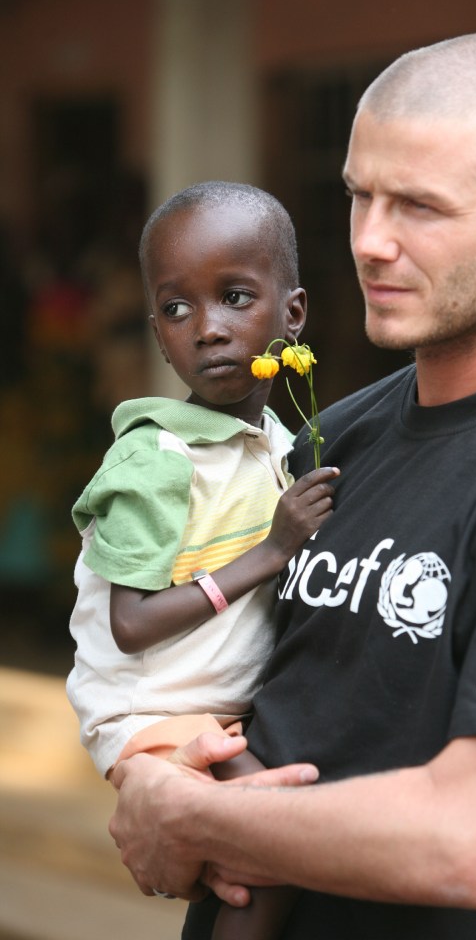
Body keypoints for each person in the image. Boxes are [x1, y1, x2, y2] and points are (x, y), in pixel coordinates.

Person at [108, 34, 476, 940]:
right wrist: (146, 770)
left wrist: (193, 818)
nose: (369, 242)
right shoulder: (330, 438)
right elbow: (208, 677)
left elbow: (467, 842)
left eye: (421, 207)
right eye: (360, 195)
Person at [66, 180, 338, 939]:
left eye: (236, 298)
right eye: (178, 309)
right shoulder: (157, 458)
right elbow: (131, 622)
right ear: (157, 331)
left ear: (293, 315)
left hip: (217, 707)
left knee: (241, 866)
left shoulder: (282, 445)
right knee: (271, 839)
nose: (209, 329)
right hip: (149, 709)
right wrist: (272, 550)